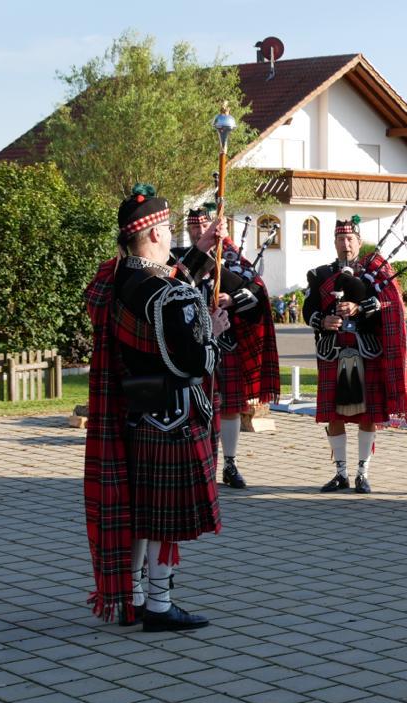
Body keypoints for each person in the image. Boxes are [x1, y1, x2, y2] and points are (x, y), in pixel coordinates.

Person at [84, 184, 229, 631]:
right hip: (175, 417)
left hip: (135, 414)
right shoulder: (168, 295)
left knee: (141, 514)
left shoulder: (115, 280)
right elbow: (188, 361)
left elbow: (161, 286)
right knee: (163, 520)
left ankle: (135, 597)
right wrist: (215, 335)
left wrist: (202, 253)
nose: (171, 235)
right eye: (166, 228)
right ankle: (161, 607)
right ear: (149, 234)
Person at [303, 215, 407, 493]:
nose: (345, 244)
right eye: (340, 239)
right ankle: (341, 473)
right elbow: (308, 309)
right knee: (334, 416)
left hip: (366, 351)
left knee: (367, 416)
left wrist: (360, 308)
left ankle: (363, 473)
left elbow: (390, 305)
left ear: (359, 242)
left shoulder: (374, 275)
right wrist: (322, 321)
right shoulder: (321, 275)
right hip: (333, 352)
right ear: (334, 243)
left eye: (350, 239)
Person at [183, 207, 280, 489]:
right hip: (192, 342)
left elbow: (258, 292)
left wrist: (232, 297)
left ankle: (230, 463)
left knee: (229, 408)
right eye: (193, 227)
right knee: (195, 406)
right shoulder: (183, 261)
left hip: (226, 343)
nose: (198, 231)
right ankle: (197, 464)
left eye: (203, 225)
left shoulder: (233, 259)